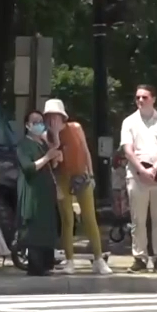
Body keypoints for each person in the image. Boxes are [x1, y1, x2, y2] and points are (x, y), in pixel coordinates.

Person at [43, 99, 112, 275]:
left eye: (56, 116)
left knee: (89, 217)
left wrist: (91, 173)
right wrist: (55, 135)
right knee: (67, 219)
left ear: (62, 116)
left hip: (81, 174)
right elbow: (55, 160)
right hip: (62, 177)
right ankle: (70, 260)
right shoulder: (46, 135)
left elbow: (85, 150)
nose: (53, 120)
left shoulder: (75, 128)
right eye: (50, 116)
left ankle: (98, 259)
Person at [120, 84, 157, 273]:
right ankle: (139, 258)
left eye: (144, 97)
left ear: (153, 99)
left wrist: (154, 168)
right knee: (138, 219)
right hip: (136, 175)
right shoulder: (129, 122)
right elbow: (128, 149)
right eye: (137, 97)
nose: (140, 101)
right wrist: (142, 170)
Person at [17, 111, 62, 275]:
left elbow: (51, 165)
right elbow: (29, 168)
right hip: (33, 191)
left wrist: (54, 157)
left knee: (47, 227)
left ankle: (46, 264)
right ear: (28, 125)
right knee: (35, 229)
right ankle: (35, 265)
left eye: (40, 121)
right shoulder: (24, 145)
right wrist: (47, 158)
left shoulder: (42, 144)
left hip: (46, 193)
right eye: (34, 122)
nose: (38, 124)